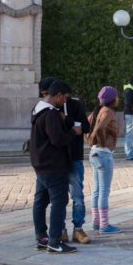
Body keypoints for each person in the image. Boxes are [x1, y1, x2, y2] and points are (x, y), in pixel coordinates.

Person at [30, 80, 80, 254]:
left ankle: (41, 237)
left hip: (41, 164)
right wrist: (73, 132)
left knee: (40, 202)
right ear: (58, 95)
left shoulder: (38, 110)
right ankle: (54, 241)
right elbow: (57, 139)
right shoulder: (50, 114)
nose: (65, 102)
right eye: (65, 98)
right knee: (59, 202)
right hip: (53, 165)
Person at [86, 86, 122, 233]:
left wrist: (91, 141)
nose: (118, 98)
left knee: (96, 190)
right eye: (117, 96)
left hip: (94, 153)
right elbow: (100, 128)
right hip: (103, 154)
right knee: (104, 191)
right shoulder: (108, 112)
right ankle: (104, 225)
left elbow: (86, 126)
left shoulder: (98, 110)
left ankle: (96, 222)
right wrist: (101, 142)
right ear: (112, 99)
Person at [60, 92, 91, 244]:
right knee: (59, 197)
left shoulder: (75, 105)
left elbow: (86, 126)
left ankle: (78, 228)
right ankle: (61, 230)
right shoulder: (51, 108)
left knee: (77, 196)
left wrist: (69, 121)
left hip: (74, 157)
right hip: (58, 159)